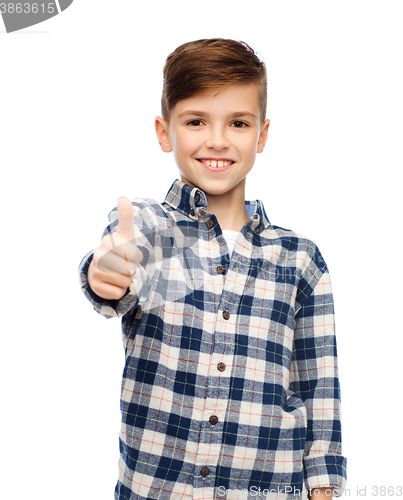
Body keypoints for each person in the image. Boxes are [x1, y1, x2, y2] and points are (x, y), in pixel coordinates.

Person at [78, 38, 347, 500]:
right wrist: (104, 274)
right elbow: (114, 280)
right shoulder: (151, 229)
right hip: (157, 487)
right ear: (165, 133)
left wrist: (323, 485)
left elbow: (317, 384)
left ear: (261, 135)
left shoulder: (299, 257)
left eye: (238, 123)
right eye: (196, 121)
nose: (218, 140)